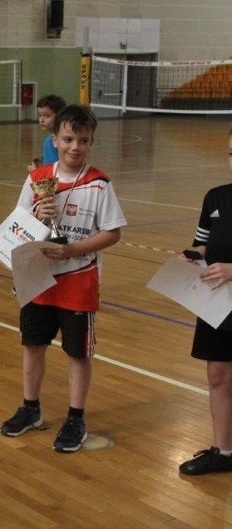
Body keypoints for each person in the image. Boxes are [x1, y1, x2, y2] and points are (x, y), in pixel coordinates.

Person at [0, 104, 126, 453]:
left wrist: (74, 250)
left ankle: (75, 417)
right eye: (68, 139)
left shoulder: (99, 184)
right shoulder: (37, 179)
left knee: (77, 354)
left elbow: (112, 233)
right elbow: (18, 225)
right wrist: (36, 216)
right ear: (54, 139)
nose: (75, 146)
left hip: (78, 282)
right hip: (38, 279)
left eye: (83, 141)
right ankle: (31, 409)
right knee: (32, 345)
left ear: (91, 142)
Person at [177, 127, 232, 476]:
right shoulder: (215, 198)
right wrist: (192, 258)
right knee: (218, 376)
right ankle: (225, 452)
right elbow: (203, 245)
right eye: (231, 153)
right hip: (219, 303)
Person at [26, 94, 67, 173]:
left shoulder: (50, 141)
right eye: (40, 115)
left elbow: (53, 171)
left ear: (60, 116)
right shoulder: (64, 137)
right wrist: (43, 159)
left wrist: (36, 171)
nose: (41, 120)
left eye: (46, 116)